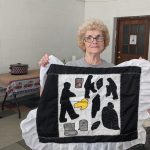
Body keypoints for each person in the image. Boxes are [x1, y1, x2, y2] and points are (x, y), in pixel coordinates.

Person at [21, 19, 148, 150]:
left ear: (105, 42)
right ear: (83, 42)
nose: (94, 41)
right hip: (76, 133)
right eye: (89, 37)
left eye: (99, 37)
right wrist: (46, 70)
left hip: (102, 135)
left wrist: (138, 72)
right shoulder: (69, 68)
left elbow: (125, 98)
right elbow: (46, 97)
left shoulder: (112, 70)